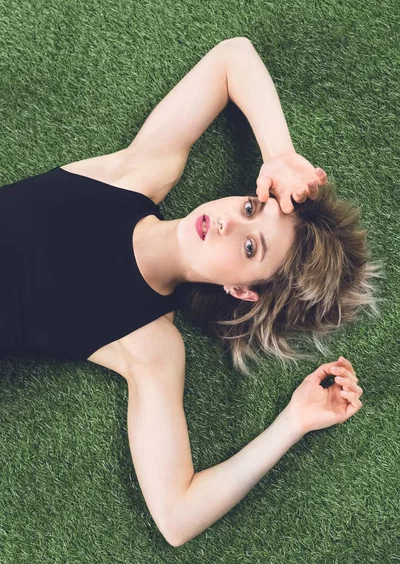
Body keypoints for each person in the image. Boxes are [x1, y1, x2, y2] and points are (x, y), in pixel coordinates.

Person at [0, 37, 383, 545]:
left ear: (243, 291)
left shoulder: (150, 345)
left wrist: (292, 422)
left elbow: (177, 517)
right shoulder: (137, 174)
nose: (226, 224)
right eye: (250, 208)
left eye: (251, 249)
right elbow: (233, 58)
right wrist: (280, 154)